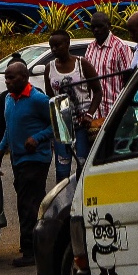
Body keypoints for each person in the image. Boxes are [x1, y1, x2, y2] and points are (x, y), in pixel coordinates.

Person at [0, 60, 53, 268]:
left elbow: (57, 123)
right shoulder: (9, 100)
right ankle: (36, 245)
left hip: (35, 159)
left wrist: (37, 138)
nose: (7, 82)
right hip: (18, 160)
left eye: (12, 78)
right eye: (6, 78)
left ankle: (31, 250)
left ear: (24, 78)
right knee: (28, 204)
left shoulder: (38, 99)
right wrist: (1, 149)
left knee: (28, 205)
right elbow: (10, 129)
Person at [38, 30, 96, 178]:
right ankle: (63, 199)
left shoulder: (82, 64)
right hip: (61, 125)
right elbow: (50, 96)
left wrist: (89, 114)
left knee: (83, 165)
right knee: (62, 168)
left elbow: (98, 91)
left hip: (83, 124)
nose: (54, 49)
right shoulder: (49, 68)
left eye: (58, 45)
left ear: (68, 44)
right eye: (52, 46)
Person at [81, 11, 135, 123]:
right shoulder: (90, 48)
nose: (96, 30)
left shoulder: (121, 47)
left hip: (115, 111)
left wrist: (126, 109)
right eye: (93, 27)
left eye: (100, 26)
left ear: (109, 26)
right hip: (95, 114)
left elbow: (129, 80)